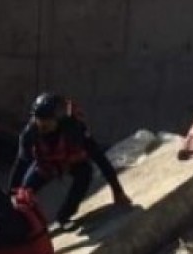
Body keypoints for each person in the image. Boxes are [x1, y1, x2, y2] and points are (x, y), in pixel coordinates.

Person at [9, 92, 131, 228]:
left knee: (85, 172)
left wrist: (117, 190)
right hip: (45, 165)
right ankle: (25, 228)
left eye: (47, 119)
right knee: (23, 195)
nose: (42, 124)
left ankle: (64, 216)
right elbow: (21, 164)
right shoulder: (29, 134)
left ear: (58, 118)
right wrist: (11, 196)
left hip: (71, 162)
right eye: (39, 119)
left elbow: (99, 157)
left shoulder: (74, 129)